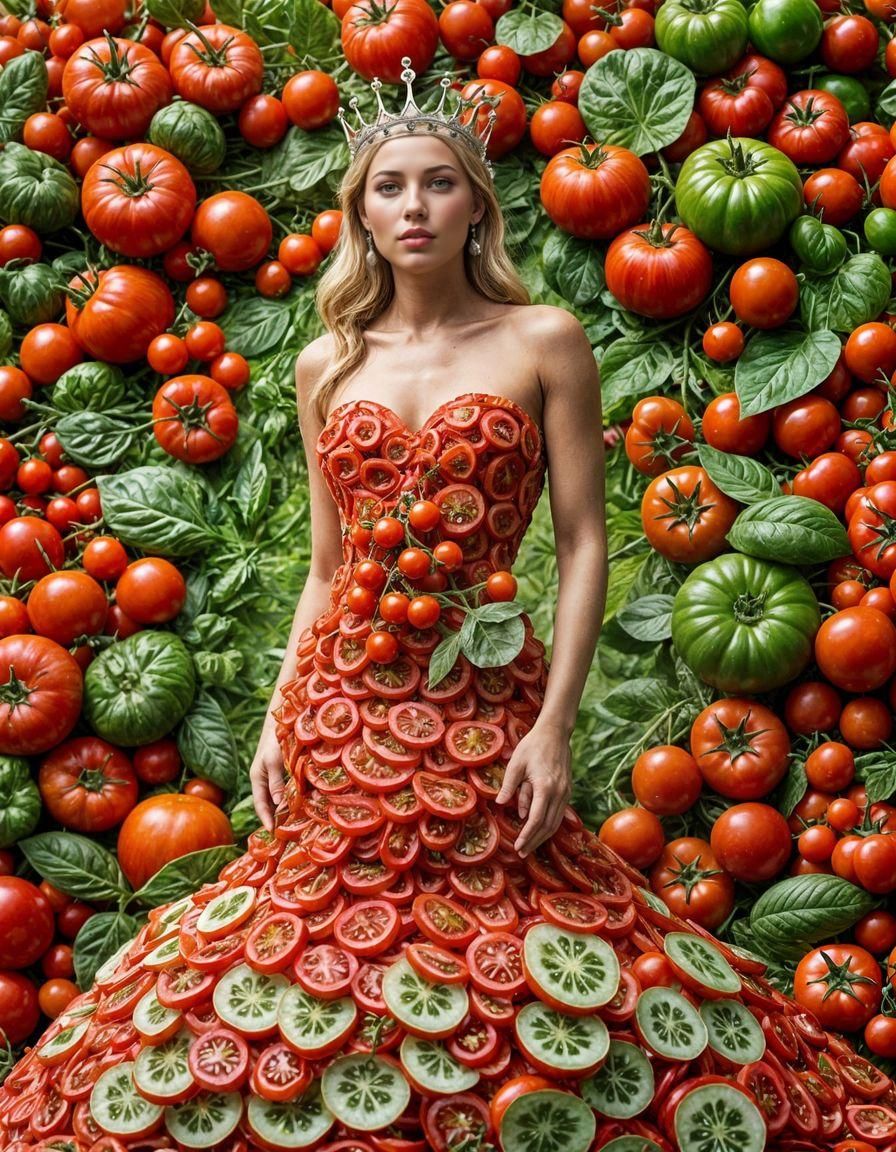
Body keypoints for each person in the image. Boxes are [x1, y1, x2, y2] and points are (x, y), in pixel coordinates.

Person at [0, 59, 891, 1152]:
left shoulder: (541, 340)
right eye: (387, 188)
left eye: (435, 184)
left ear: (475, 203)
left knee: (514, 927)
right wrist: (284, 711)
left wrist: (554, 726)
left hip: (487, 691)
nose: (410, 207)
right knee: (320, 950)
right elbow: (328, 569)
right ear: (359, 213)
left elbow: (578, 544)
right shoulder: (327, 361)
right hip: (345, 694)